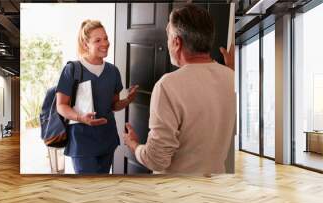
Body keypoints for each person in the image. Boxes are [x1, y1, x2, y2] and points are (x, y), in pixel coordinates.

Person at [123, 4, 236, 174]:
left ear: (176, 42)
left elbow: (157, 160)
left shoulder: (168, 86)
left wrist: (133, 145)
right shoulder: (232, 78)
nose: (167, 43)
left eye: (168, 36)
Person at [56, 20, 138, 174]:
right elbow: (61, 106)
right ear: (86, 44)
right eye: (98, 40)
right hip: (82, 141)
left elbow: (114, 105)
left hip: (107, 138)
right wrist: (81, 118)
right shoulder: (72, 69)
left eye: (106, 38)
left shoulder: (113, 71)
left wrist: (127, 100)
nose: (105, 43)